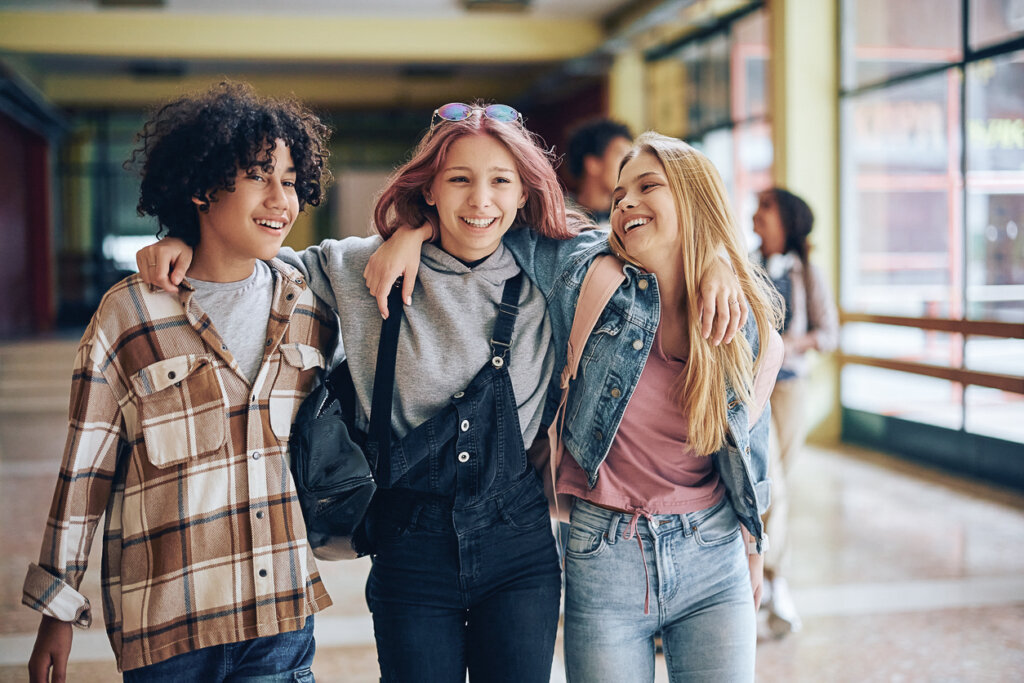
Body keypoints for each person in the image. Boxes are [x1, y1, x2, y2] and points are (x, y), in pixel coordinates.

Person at [140, 104, 746, 682]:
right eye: (459, 179)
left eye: (500, 181)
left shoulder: (554, 272)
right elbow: (254, 267)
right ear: (429, 188)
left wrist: (718, 256)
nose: (481, 200)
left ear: (523, 194)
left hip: (518, 546)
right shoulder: (360, 267)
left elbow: (649, 253)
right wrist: (183, 243)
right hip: (409, 548)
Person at [366, 132, 785, 682]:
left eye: (647, 186)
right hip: (603, 551)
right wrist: (411, 231)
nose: (626, 202)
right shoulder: (585, 271)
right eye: (619, 194)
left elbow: (748, 439)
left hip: (713, 550)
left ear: (695, 199)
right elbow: (492, 218)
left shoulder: (740, 315)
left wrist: (754, 545)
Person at [24, 82, 337, 681]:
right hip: (170, 625)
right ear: (200, 187)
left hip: (279, 618)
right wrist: (57, 611)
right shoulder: (131, 313)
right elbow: (85, 471)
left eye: (291, 180)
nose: (282, 199)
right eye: (258, 175)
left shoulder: (310, 306)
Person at [752, 187, 839, 636]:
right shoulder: (741, 265)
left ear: (788, 220)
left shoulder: (807, 274)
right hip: (752, 391)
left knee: (777, 480)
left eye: (766, 207)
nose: (755, 213)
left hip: (790, 390)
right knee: (774, 487)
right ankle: (772, 579)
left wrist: (788, 346)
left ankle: (767, 579)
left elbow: (829, 333)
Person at [565, 118, 633, 226]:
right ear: (593, 164)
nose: (629, 164)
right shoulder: (559, 216)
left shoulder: (629, 215)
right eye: (621, 155)